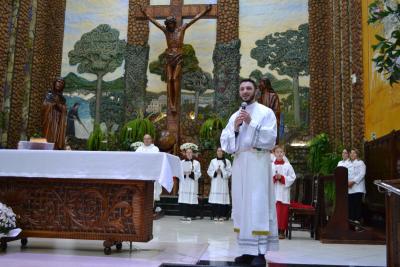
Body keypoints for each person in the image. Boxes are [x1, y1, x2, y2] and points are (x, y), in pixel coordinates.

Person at [221, 78, 278, 267]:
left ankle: (260, 252)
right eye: (242, 88)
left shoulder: (266, 112)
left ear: (255, 91)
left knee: (257, 203)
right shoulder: (235, 115)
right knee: (241, 205)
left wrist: (251, 123)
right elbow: (227, 143)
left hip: (258, 161)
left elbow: (270, 139)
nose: (245, 91)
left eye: (248, 88)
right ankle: (246, 250)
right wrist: (236, 129)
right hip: (240, 162)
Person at [140, 4, 211, 113]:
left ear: (174, 23)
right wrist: (145, 13)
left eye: (171, 23)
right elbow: (155, 22)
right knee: (169, 80)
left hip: (178, 58)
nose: (170, 25)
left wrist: (205, 11)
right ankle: (172, 104)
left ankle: (175, 103)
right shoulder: (166, 31)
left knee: (174, 78)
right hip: (169, 58)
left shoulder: (181, 30)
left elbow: (194, 20)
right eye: (168, 24)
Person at [272, 145, 296, 239]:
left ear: (284, 154)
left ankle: (282, 231)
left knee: (283, 212)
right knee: (274, 212)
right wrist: (274, 177)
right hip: (274, 192)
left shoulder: (288, 166)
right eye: (277, 152)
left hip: (283, 192)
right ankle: (274, 231)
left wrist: (281, 178)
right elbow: (266, 178)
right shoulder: (271, 165)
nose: (279, 154)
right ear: (274, 153)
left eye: (281, 152)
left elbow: (293, 177)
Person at [136, 134, 162, 208]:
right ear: (143, 140)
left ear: (151, 140)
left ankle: (151, 208)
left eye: (148, 139)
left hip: (151, 173)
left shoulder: (155, 149)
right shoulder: (139, 149)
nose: (146, 140)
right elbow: (135, 159)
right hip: (141, 173)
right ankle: (140, 207)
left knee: (152, 189)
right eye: (145, 139)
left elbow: (157, 160)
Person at [207, 147, 232, 221]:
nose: (219, 152)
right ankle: (215, 215)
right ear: (216, 152)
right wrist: (215, 172)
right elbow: (209, 171)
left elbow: (230, 171)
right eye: (218, 151)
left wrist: (222, 171)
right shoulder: (213, 161)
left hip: (223, 182)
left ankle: (221, 216)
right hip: (215, 182)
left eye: (221, 151)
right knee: (215, 199)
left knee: (222, 199)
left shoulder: (227, 161)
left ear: (223, 152)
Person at [42, 78, 67, 150]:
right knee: (50, 135)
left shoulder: (62, 98)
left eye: (62, 83)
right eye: (58, 82)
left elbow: (64, 109)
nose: (59, 84)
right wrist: (51, 104)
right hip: (50, 119)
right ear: (54, 83)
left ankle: (56, 146)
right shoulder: (49, 95)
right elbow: (44, 106)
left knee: (57, 135)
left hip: (58, 120)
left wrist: (58, 104)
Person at [178, 148, 201, 221]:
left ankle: (191, 215)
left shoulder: (196, 163)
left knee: (191, 198)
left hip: (192, 183)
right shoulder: (181, 162)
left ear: (192, 154)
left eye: (190, 152)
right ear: (185, 154)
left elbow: (199, 173)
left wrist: (192, 173)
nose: (189, 154)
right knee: (184, 198)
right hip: (184, 183)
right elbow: (178, 173)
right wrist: (183, 173)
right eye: (187, 152)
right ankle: (185, 215)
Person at [258, 77, 281, 142]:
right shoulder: (259, 96)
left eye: (261, 83)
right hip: (260, 122)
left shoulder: (273, 95)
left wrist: (268, 117)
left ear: (266, 84)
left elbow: (276, 110)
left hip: (270, 121)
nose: (259, 85)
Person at [347, 149, 366, 227]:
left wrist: (353, 181)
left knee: (357, 206)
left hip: (358, 188)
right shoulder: (349, 163)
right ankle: (351, 223)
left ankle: (357, 223)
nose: (351, 154)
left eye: (353, 153)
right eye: (350, 153)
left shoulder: (360, 163)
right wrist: (347, 182)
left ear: (357, 154)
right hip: (350, 189)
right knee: (351, 206)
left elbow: (362, 174)